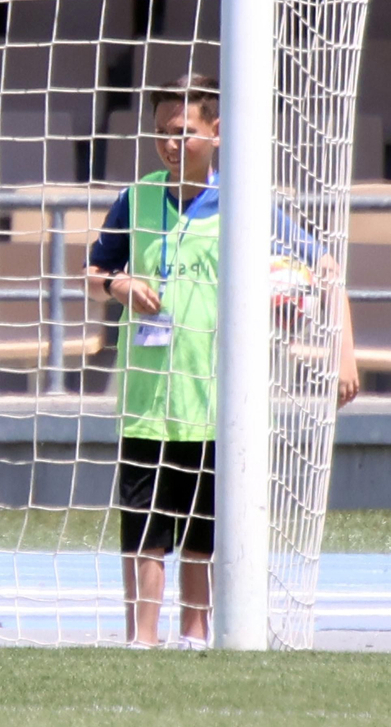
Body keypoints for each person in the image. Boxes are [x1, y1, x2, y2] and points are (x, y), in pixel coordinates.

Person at [85, 73, 360, 649]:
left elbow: (326, 269)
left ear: (217, 131)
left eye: (184, 132)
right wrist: (119, 287)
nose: (171, 144)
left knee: (203, 532)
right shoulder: (135, 200)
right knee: (144, 530)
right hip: (146, 402)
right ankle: (141, 639)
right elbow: (94, 270)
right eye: (162, 132)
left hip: (216, 403)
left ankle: (195, 632)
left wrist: (343, 355)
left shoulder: (244, 206)